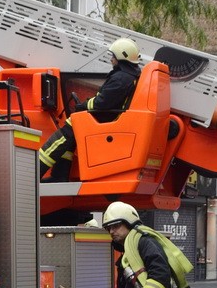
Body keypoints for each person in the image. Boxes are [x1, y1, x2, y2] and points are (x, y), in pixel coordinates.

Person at [39, 38, 142, 182]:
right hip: (109, 118)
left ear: (121, 56)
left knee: (63, 135)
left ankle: (33, 173)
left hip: (102, 120)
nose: (111, 59)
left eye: (113, 56)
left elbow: (102, 102)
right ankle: (59, 176)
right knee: (70, 140)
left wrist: (84, 106)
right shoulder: (128, 76)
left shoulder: (121, 78)